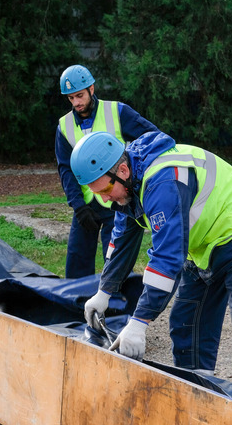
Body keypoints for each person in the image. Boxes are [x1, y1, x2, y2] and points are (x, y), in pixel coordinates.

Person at [72, 130, 232, 402]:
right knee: (187, 327)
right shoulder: (128, 184)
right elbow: (121, 240)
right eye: (98, 193)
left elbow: (168, 258)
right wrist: (103, 292)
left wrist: (139, 322)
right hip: (204, 245)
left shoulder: (163, 182)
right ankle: (198, 408)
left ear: (122, 170)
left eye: (106, 190)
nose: (105, 199)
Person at [55, 64, 158, 278]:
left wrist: (137, 178)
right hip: (87, 204)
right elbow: (66, 170)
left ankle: (118, 308)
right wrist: (78, 206)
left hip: (119, 199)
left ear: (92, 89)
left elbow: (153, 138)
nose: (77, 103)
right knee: (75, 265)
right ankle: (76, 308)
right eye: (71, 98)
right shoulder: (63, 126)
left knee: (117, 264)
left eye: (80, 96)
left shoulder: (117, 112)